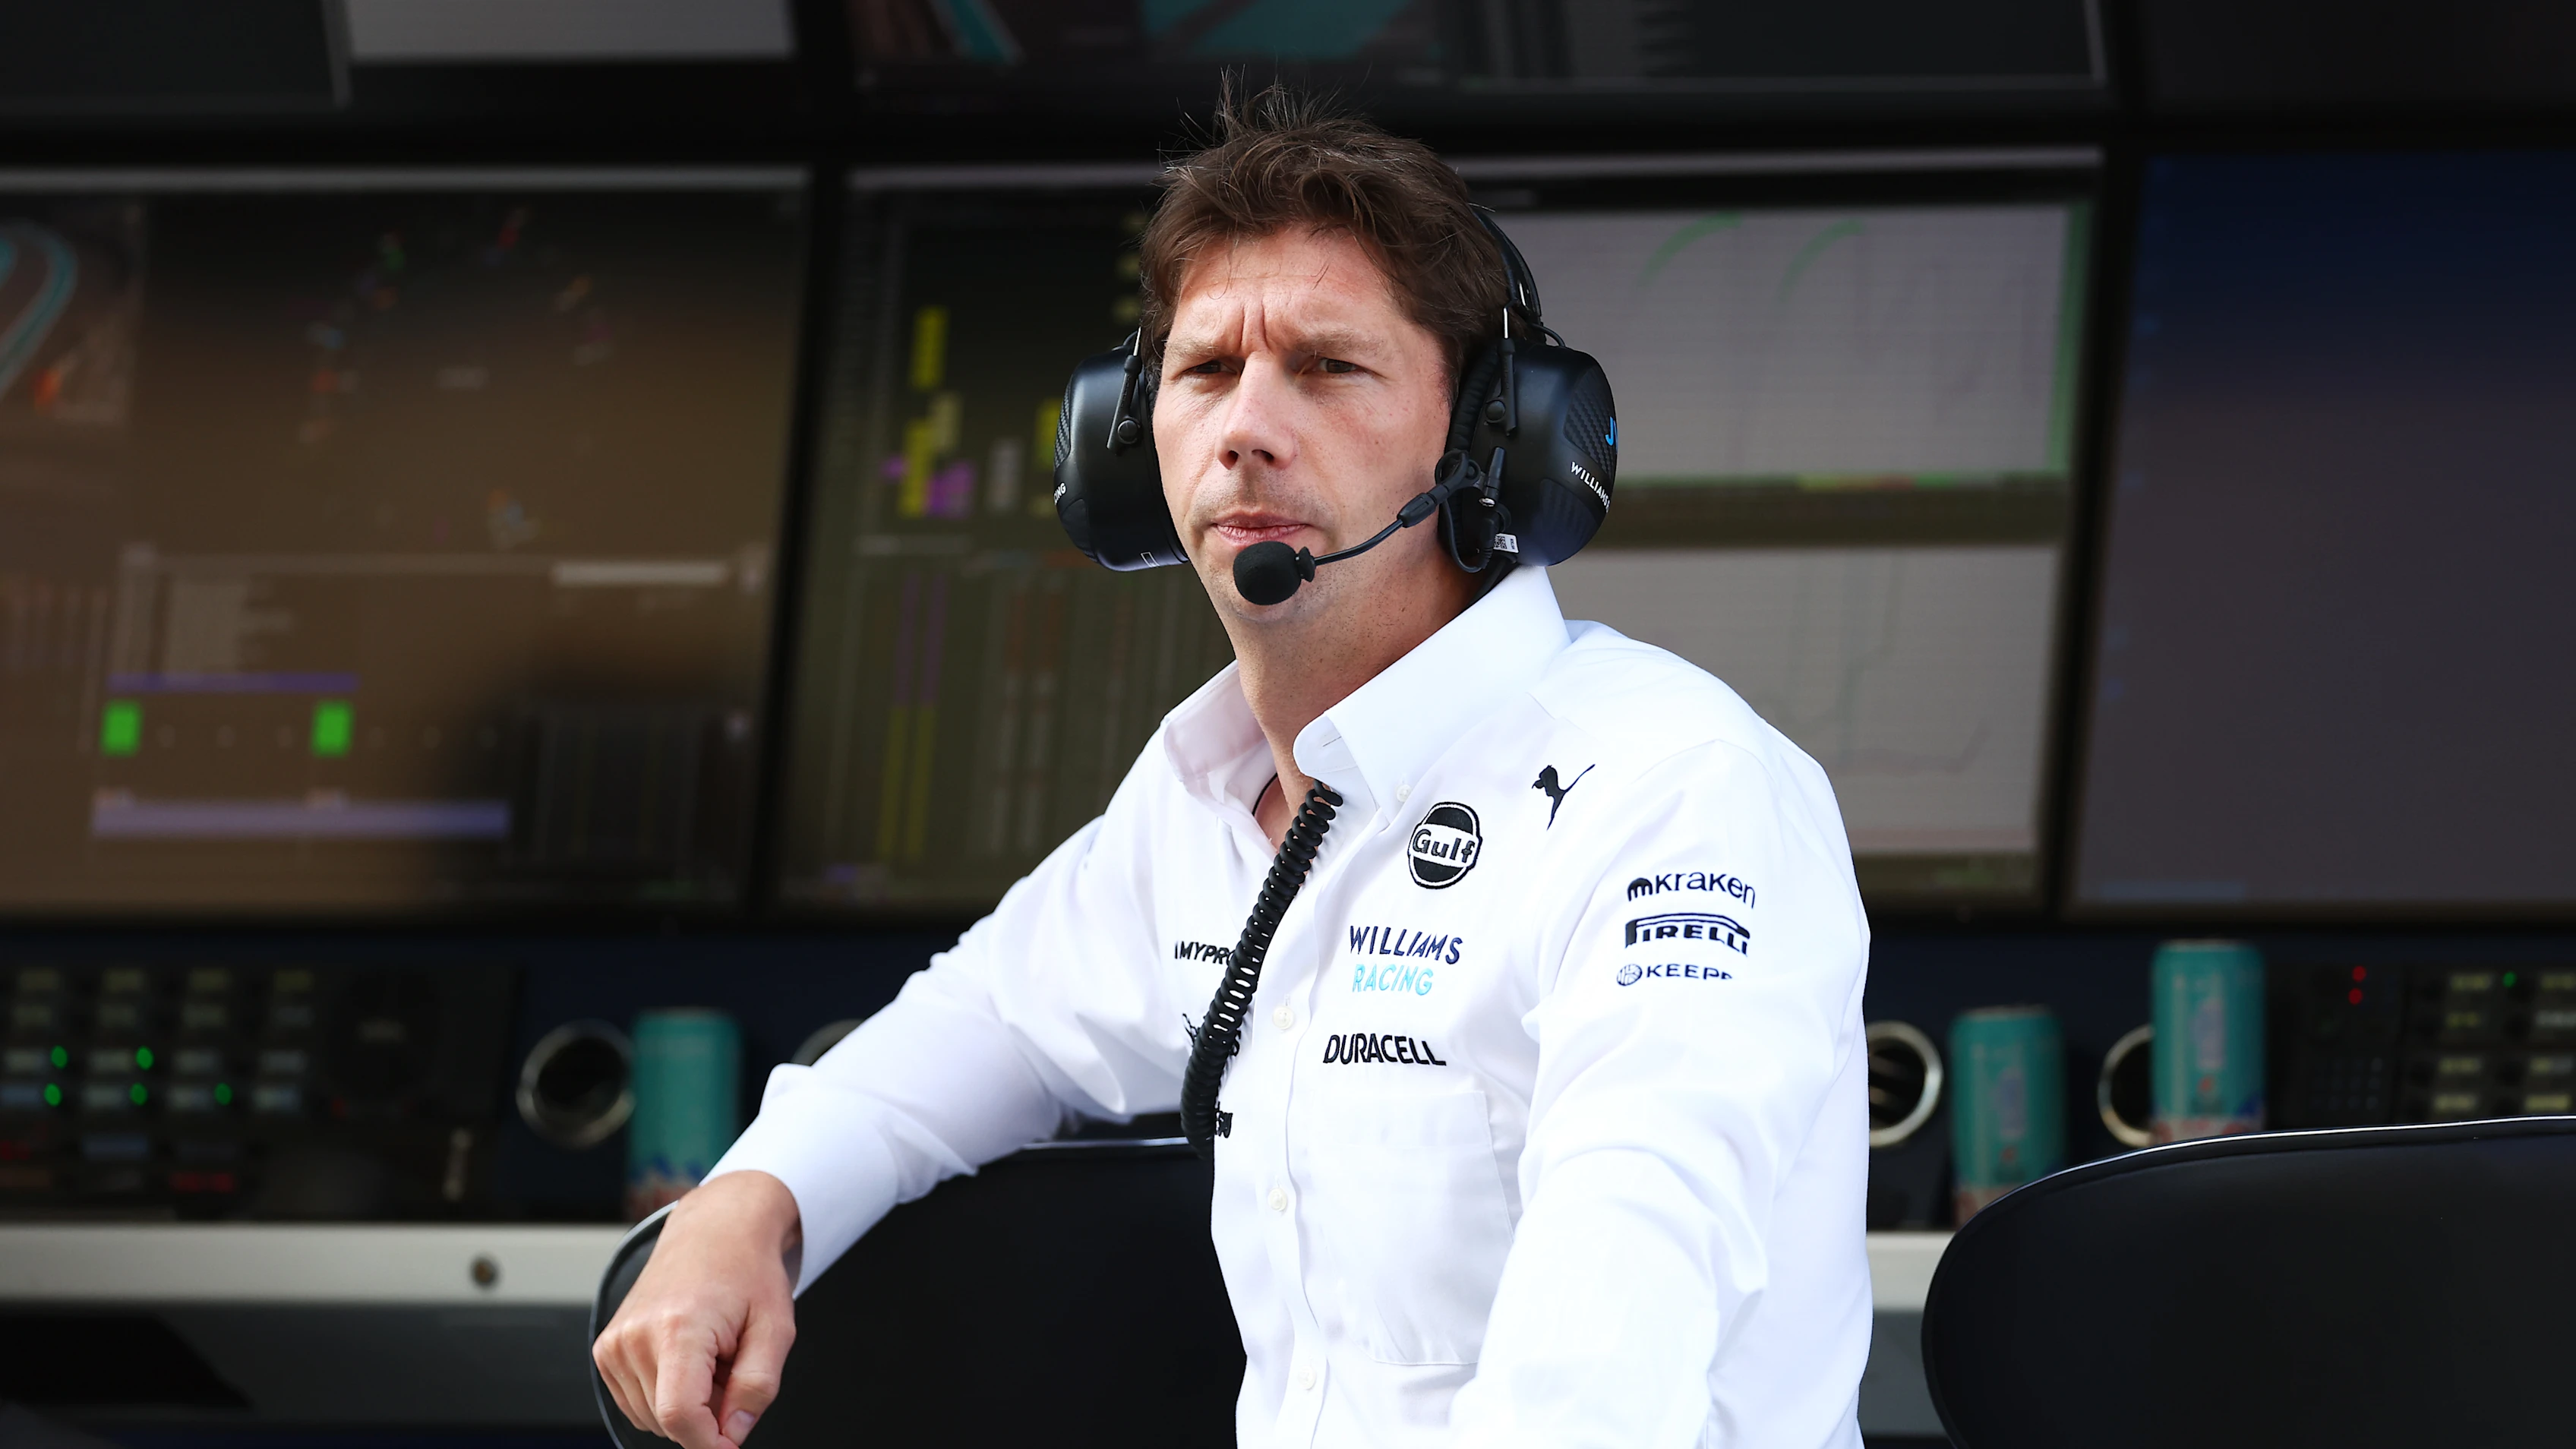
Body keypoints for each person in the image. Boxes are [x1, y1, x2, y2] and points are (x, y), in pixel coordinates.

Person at [595, 87, 1871, 1449]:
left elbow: (1607, 1346)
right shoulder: (1203, 800)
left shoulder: (1675, 791)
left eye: (1328, 367)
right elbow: (984, 1024)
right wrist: (750, 1201)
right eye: (1206, 372)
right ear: (1130, 446)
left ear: (1494, 441)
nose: (1246, 427)